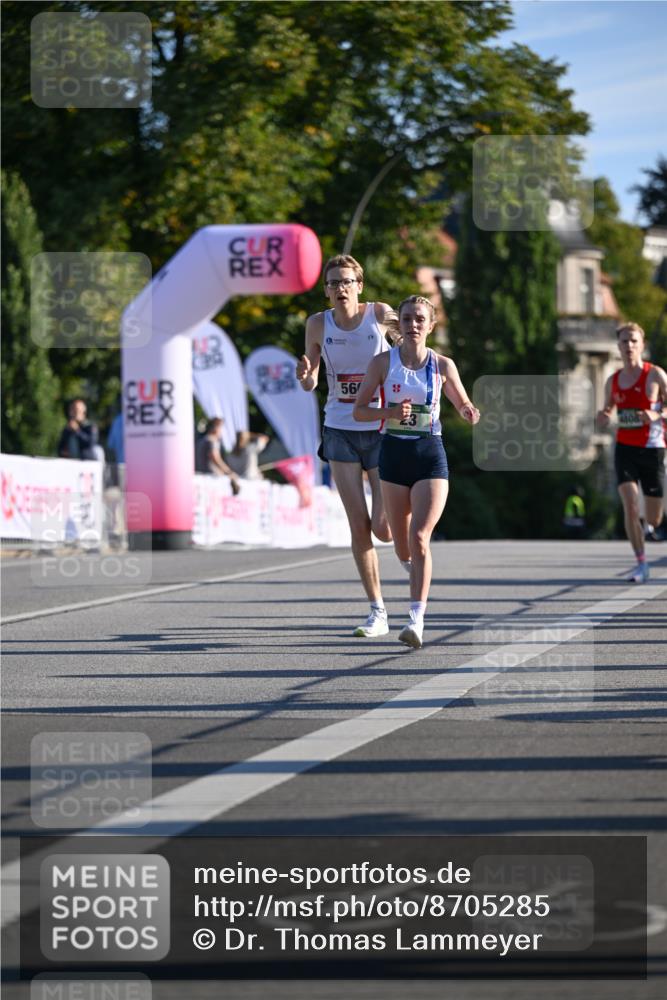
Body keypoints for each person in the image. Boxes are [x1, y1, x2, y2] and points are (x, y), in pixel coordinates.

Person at [353, 294, 480, 649]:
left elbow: (461, 401)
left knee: (420, 536)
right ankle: (416, 573)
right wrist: (390, 413)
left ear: (431, 325)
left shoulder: (442, 365)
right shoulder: (382, 363)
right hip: (393, 455)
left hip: (429, 455)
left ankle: (416, 620)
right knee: (401, 544)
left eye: (420, 319)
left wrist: (469, 411)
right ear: (400, 324)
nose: (413, 325)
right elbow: (360, 411)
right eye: (407, 319)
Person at [296, 254, 397, 638]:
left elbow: (407, 351)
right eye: (333, 283)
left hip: (380, 425)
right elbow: (312, 381)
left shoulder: (380, 315)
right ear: (326, 290)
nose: (340, 288)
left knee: (383, 529)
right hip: (339, 426)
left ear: (360, 286)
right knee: (359, 527)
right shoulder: (318, 324)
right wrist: (306, 377)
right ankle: (378, 611)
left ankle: (407, 551)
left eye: (346, 281)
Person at [596, 322, 667, 582]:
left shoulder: (656, 375)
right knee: (629, 503)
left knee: (654, 517)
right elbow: (607, 409)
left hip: (653, 449)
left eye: (634, 341)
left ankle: (651, 526)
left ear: (642, 345)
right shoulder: (612, 381)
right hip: (624, 448)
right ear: (618, 346)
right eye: (624, 341)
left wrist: (656, 414)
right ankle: (641, 562)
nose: (629, 346)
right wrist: (603, 416)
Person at [195, 417, 241, 495]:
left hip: (200, 478)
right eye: (221, 428)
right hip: (212, 479)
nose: (221, 432)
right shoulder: (212, 440)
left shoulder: (201, 440)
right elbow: (215, 457)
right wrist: (229, 472)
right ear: (215, 428)